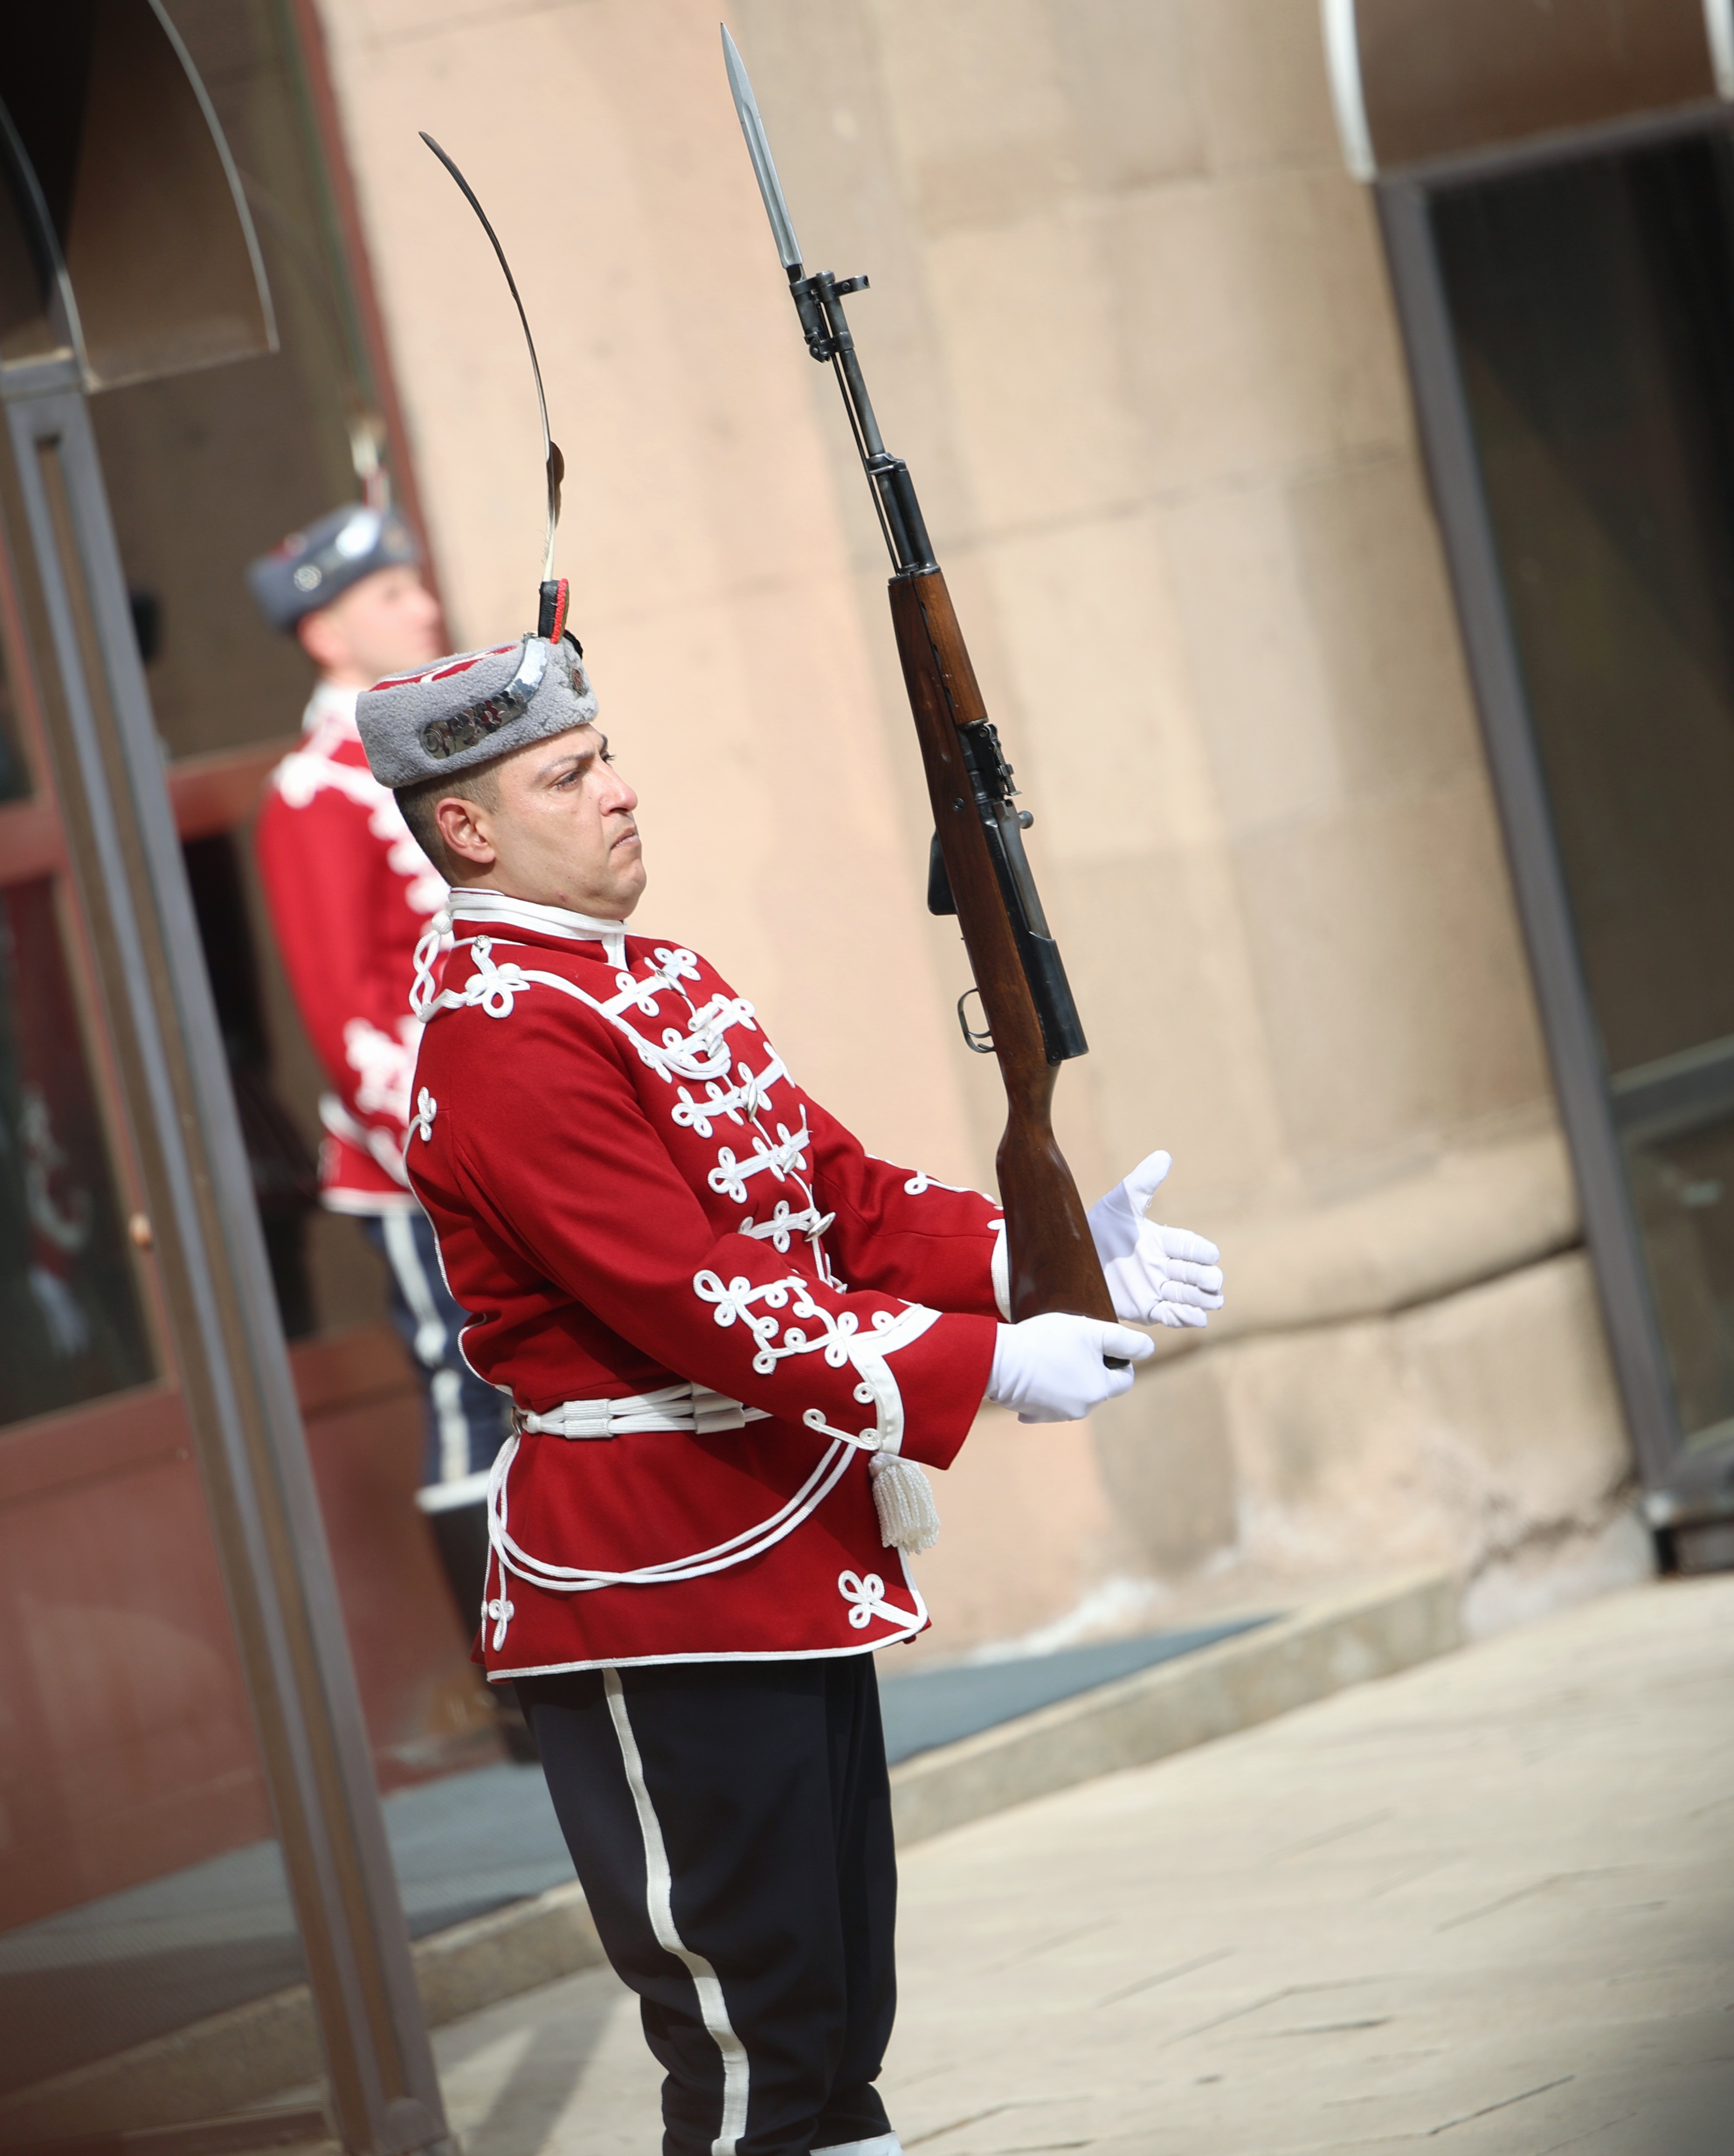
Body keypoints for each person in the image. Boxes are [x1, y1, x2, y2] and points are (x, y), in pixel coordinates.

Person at [365, 630, 1225, 2156]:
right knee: (754, 2050)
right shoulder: (508, 1034)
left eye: (608, 754)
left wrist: (1044, 1260)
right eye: (572, 774)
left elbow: (837, 1201)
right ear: (468, 830)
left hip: (777, 1543)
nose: (623, 792)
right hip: (654, 1570)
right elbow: (700, 1293)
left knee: (832, 2039)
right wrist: (982, 1366)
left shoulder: (650, 976)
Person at [247, 501, 527, 1739]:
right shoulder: (315, 793)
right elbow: (346, 1014)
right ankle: (521, 1687)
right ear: (324, 633)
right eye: (386, 596)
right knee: (468, 1391)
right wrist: (451, 1136)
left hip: (525, 1128)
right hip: (423, 1165)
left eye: (416, 585)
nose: (421, 605)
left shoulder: (445, 755)